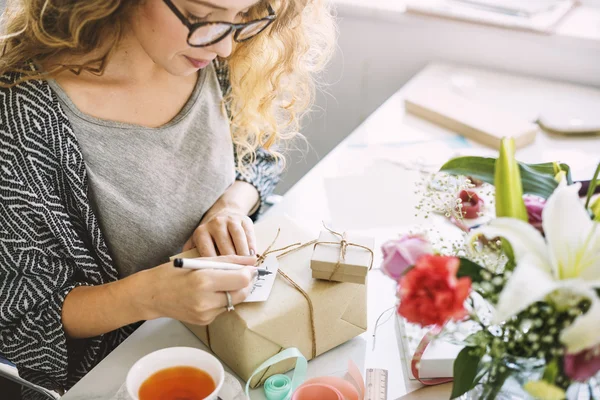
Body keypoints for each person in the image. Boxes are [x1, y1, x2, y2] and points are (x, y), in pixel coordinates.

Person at [0, 0, 335, 397]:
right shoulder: (22, 120)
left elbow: (257, 157)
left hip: (240, 350)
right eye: (200, 16)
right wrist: (150, 296)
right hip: (136, 375)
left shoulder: (211, 57)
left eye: (244, 17)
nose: (226, 45)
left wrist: (229, 206)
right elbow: (23, 320)